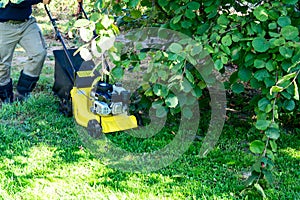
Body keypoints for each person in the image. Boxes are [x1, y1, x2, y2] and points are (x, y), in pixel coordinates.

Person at [0, 0, 51, 103]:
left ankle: (23, 93)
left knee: (39, 53)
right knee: (2, 63)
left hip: (26, 23)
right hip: (3, 24)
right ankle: (5, 97)